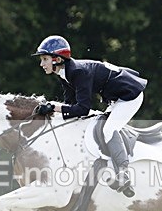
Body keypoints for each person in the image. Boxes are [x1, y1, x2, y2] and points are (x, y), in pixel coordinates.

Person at [32, 35, 146, 197]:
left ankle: (124, 174)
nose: (42, 64)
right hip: (115, 98)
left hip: (129, 95)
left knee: (108, 130)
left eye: (45, 59)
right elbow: (70, 104)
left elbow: (82, 109)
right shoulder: (65, 73)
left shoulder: (77, 72)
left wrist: (53, 107)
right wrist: (53, 110)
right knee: (97, 126)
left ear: (57, 59)